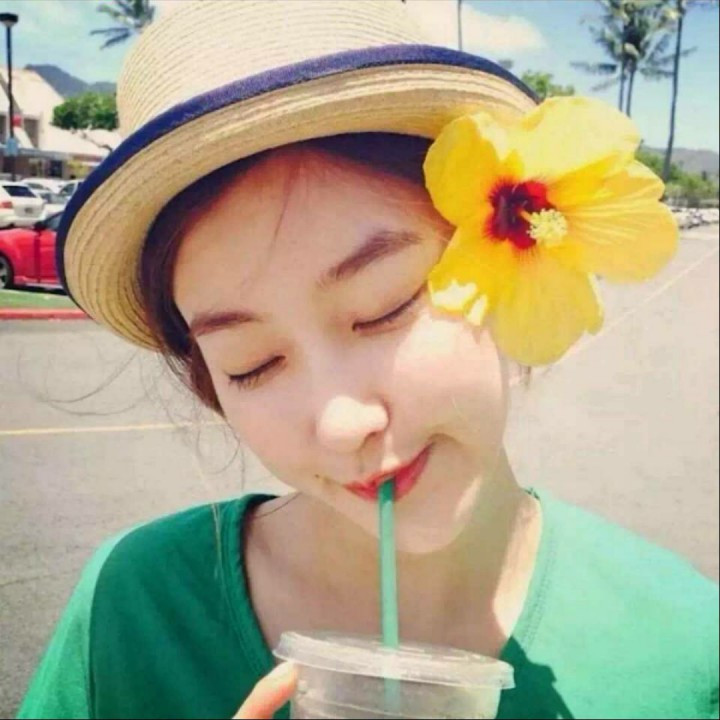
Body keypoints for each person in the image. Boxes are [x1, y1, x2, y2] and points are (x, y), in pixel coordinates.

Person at [18, 2, 718, 719]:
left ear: (513, 259)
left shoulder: (684, 648)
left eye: (385, 307)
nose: (342, 424)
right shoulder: (129, 612)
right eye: (251, 362)